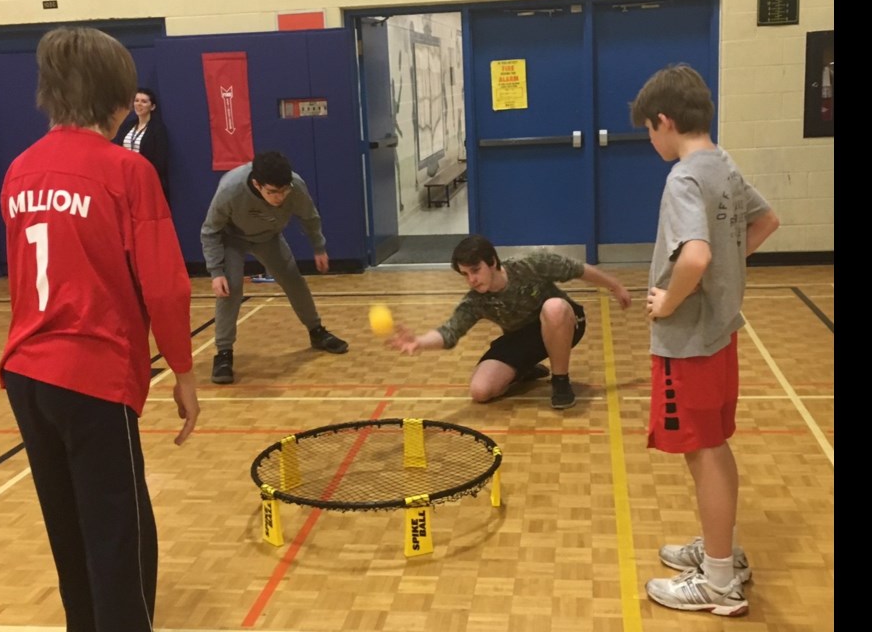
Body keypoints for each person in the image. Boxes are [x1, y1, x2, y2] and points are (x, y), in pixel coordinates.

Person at [0, 27, 200, 631]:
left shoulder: (19, 169)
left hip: (27, 376)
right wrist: (183, 372)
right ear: (119, 100)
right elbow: (166, 285)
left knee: (68, 531)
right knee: (119, 536)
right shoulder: (125, 170)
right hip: (91, 378)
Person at [630, 63, 780, 616]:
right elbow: (767, 223)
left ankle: (718, 581)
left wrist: (669, 299)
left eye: (650, 131)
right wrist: (721, 275)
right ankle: (722, 552)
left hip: (689, 341)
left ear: (665, 121)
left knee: (703, 453)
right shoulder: (724, 165)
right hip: (720, 336)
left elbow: (694, 254)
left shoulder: (685, 177)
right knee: (715, 446)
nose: (651, 141)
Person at [387, 234, 632, 409]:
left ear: (492, 262)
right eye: (465, 274)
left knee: (554, 307)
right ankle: (524, 368)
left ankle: (560, 381)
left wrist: (616, 286)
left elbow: (577, 269)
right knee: (480, 391)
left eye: (475, 270)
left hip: (565, 322)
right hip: (522, 338)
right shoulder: (476, 301)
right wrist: (419, 342)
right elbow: (450, 331)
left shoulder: (530, 266)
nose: (471, 280)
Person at [201, 151, 349, 384]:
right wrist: (216, 272)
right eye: (273, 192)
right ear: (256, 184)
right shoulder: (231, 188)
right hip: (231, 238)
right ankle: (223, 353)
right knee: (232, 288)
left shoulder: (295, 186)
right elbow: (209, 231)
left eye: (284, 191)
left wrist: (319, 248)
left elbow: (310, 217)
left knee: (294, 280)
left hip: (268, 237)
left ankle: (317, 332)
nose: (280, 198)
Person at [113, 87, 170, 201]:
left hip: (145, 181)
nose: (139, 104)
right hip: (125, 179)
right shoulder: (126, 126)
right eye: (136, 100)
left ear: (152, 107)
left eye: (144, 102)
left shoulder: (157, 129)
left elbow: (160, 161)